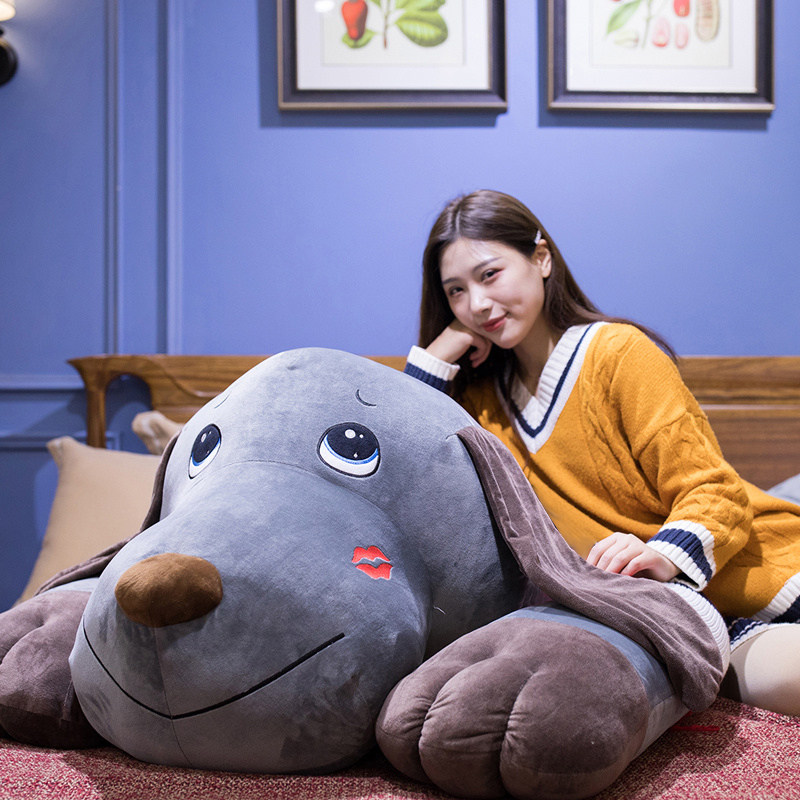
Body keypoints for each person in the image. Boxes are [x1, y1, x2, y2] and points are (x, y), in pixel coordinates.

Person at [404, 189, 800, 715]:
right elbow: (402, 454)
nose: (476, 304)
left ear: (541, 258)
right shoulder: (480, 407)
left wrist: (662, 554)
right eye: (455, 291)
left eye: (490, 274)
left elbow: (715, 491)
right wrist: (439, 353)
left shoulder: (618, 352)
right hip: (677, 620)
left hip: (762, 576)